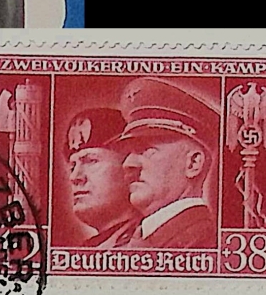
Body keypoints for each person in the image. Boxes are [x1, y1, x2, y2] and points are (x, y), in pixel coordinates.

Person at [114, 79, 219, 249]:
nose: (128, 164)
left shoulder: (201, 241)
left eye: (148, 150)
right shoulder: (143, 238)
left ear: (193, 163)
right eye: (129, 152)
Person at [63, 107, 140, 247]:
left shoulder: (150, 241)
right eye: (72, 166)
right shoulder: (94, 246)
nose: (75, 177)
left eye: (91, 161)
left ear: (129, 166)